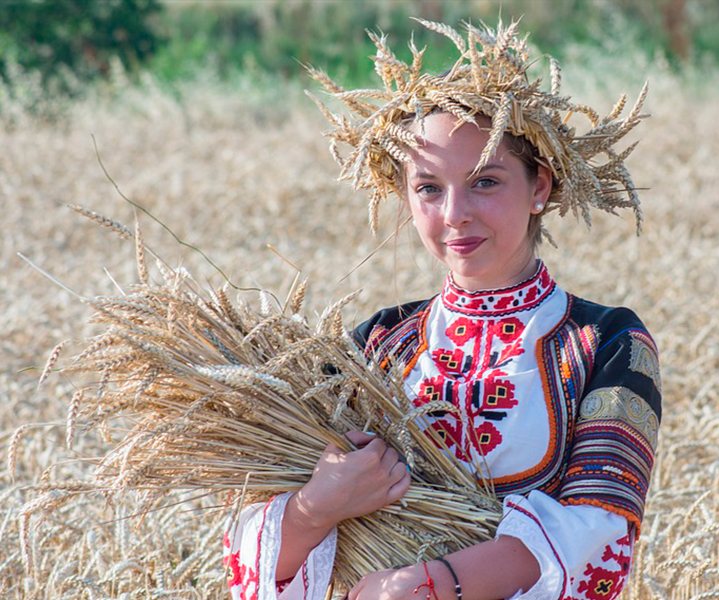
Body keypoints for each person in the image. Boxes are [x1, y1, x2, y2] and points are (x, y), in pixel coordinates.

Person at [223, 18, 660, 600]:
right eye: (428, 187)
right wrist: (310, 510)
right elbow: (256, 539)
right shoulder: (374, 344)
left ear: (539, 189)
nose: (455, 213)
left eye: (485, 181)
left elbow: (601, 531)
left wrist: (430, 586)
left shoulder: (606, 343)